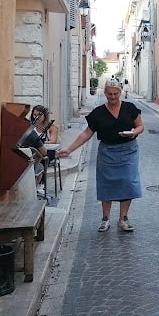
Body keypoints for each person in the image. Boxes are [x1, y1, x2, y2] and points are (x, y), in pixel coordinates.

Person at [56, 77, 144, 232]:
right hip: (107, 152)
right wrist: (69, 149)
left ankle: (123, 218)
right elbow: (86, 133)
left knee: (128, 182)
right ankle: (105, 218)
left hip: (129, 150)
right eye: (109, 94)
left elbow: (140, 126)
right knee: (106, 183)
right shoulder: (98, 113)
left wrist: (133, 132)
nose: (112, 97)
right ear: (105, 93)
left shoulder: (130, 108)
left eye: (115, 94)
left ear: (120, 92)